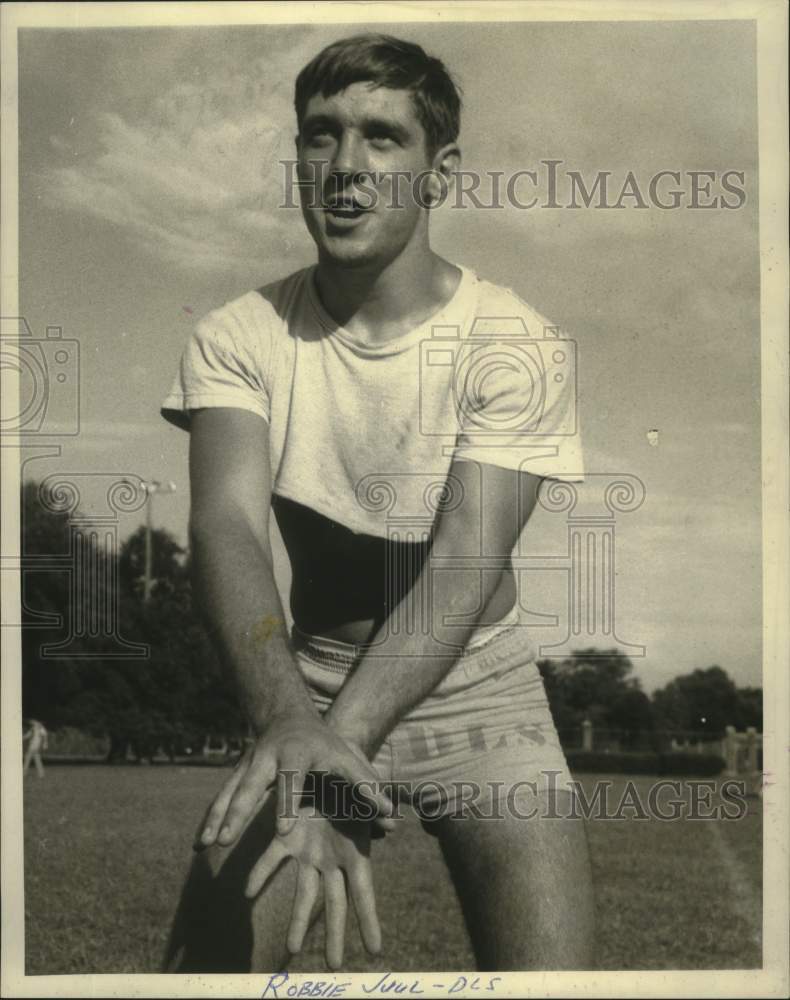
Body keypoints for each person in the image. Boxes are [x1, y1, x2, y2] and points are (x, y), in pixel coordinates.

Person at [160, 33, 594, 973]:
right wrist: (292, 724)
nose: (347, 168)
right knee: (202, 983)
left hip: (484, 691)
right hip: (302, 685)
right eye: (322, 136)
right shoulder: (239, 333)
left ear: (440, 173)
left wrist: (328, 755)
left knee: (559, 985)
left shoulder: (516, 340)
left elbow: (464, 569)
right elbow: (225, 526)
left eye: (383, 139)